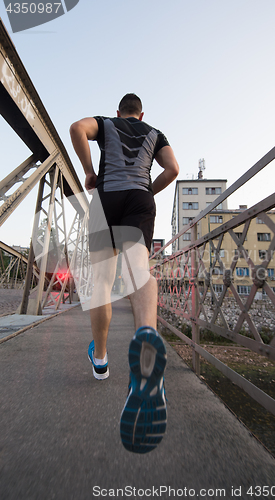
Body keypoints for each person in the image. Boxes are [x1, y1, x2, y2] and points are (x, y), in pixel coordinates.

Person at [70, 93, 179, 453]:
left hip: (107, 197)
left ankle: (100, 359)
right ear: (142, 113)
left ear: (119, 112)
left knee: (102, 282)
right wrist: (149, 189)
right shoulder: (155, 133)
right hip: (138, 198)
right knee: (139, 271)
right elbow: (173, 170)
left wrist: (89, 171)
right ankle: (146, 340)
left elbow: (76, 129)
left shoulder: (107, 123)